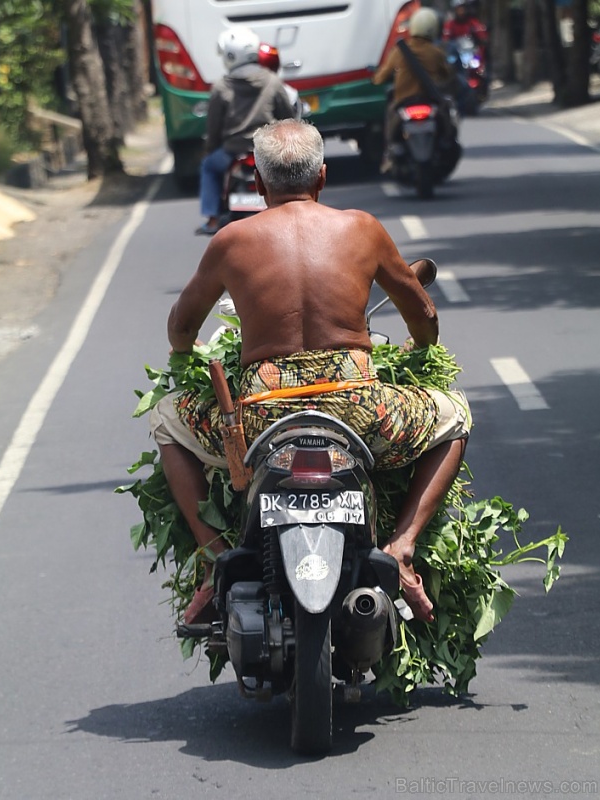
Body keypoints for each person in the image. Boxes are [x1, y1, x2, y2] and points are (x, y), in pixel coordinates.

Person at [150, 119, 471, 626]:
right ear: (322, 178)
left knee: (167, 418)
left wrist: (184, 350)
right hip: (359, 412)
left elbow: (181, 327)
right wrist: (420, 349)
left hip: (258, 419)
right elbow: (424, 317)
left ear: (257, 184)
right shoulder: (362, 228)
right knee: (453, 414)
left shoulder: (231, 241)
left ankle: (215, 563)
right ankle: (403, 546)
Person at [196, 26, 296, 236]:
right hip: (268, 149)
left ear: (230, 56)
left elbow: (213, 127)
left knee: (208, 166)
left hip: (232, 152)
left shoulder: (221, 87)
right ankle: (296, 210)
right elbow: (287, 117)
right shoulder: (272, 81)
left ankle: (212, 219)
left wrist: (210, 149)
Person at [371, 7, 458, 172]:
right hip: (430, 101)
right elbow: (448, 74)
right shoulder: (436, 53)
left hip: (404, 102)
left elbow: (380, 78)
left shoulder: (399, 51)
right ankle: (446, 144)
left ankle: (388, 155)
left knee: (389, 118)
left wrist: (376, 78)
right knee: (448, 117)